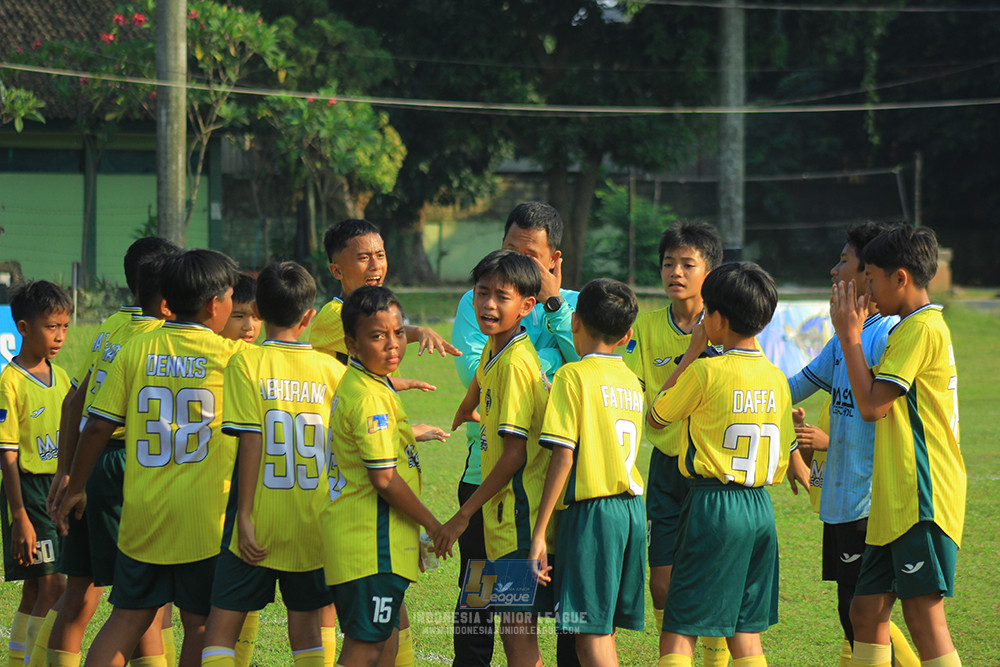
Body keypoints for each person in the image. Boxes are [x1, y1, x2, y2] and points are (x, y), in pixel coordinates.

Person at [56, 249, 244, 667]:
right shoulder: (231, 358)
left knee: (126, 618)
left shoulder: (136, 348)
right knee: (199, 623)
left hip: (142, 513)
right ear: (215, 303)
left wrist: (77, 485)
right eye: (231, 297)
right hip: (203, 519)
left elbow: (98, 426)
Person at [449, 201, 579, 667]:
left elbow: (583, 370)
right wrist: (468, 405)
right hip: (483, 476)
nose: (489, 302)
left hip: (532, 491)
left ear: (552, 259)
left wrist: (553, 305)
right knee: (480, 604)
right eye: (509, 249)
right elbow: (474, 365)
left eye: (529, 255)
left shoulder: (573, 306)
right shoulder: (481, 305)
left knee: (542, 617)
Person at [830, 225, 965, 667]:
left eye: (871, 276)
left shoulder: (920, 329)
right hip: (894, 502)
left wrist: (849, 335)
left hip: (920, 495)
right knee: (865, 612)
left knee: (924, 617)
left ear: (900, 278)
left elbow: (872, 406)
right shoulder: (907, 327)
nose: (866, 286)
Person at [648, 262, 794, 667]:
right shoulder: (777, 378)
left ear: (718, 318)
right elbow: (781, 455)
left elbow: (658, 415)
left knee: (679, 626)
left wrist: (692, 352)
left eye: (706, 311)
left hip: (713, 506)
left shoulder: (706, 371)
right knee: (745, 631)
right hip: (760, 509)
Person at [787, 222, 919, 667]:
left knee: (864, 614)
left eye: (843, 260)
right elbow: (794, 387)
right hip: (840, 498)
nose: (832, 269)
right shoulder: (844, 340)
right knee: (854, 615)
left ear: (869, 274)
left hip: (870, 500)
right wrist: (736, 379)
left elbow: (882, 413)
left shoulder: (883, 337)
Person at [202, 261, 344, 667]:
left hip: (258, 518)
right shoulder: (333, 370)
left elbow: (251, 438)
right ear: (309, 317)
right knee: (306, 625)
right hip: (313, 519)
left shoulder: (247, 363)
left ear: (259, 312)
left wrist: (243, 514)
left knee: (222, 628)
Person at [43, 254, 176, 667]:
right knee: (142, 603)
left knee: (78, 594)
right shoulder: (159, 341)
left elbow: (73, 401)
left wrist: (67, 472)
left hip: (91, 462)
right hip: (125, 464)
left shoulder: (114, 327)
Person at [621, 221, 731, 666]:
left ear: (711, 271)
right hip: (667, 468)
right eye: (669, 263)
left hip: (711, 470)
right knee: (663, 584)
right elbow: (632, 392)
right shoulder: (644, 328)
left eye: (688, 264)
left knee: (710, 582)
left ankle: (712, 657)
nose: (676, 272)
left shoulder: (728, 326)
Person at [320, 286, 447, 667]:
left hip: (373, 546)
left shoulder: (370, 383)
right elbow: (385, 480)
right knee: (366, 647)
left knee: (386, 644)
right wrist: (432, 524)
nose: (393, 345)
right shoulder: (369, 396)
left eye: (397, 332)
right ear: (351, 344)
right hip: (369, 549)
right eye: (377, 336)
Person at [440, 249, 550, 667]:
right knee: (496, 617)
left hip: (516, 516)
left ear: (526, 306)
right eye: (482, 292)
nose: (488, 304)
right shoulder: (496, 347)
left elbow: (514, 456)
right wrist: (465, 408)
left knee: (517, 632)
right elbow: (481, 379)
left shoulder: (517, 364)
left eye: (501, 297)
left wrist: (463, 514)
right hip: (499, 514)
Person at [529, 278, 646, 667]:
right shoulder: (631, 381)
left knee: (587, 637)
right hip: (630, 512)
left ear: (574, 321)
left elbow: (563, 457)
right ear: (627, 334)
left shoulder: (572, 376)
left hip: (593, 516)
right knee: (603, 628)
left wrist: (540, 531)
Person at [0, 281, 71, 667]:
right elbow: (7, 454)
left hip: (56, 489)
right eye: (51, 327)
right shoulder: (9, 383)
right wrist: (19, 516)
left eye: (64, 326)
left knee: (34, 589)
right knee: (54, 586)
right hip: (29, 492)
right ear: (24, 328)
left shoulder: (61, 378)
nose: (60, 336)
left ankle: (17, 662)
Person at [310, 219, 458, 363]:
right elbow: (371, 331)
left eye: (380, 255)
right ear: (337, 271)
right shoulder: (332, 316)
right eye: (363, 258)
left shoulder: (381, 310)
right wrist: (417, 332)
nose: (376, 265)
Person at [219, 272, 262, 344]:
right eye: (239, 316)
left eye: (255, 317)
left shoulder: (262, 354)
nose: (249, 327)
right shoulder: (205, 353)